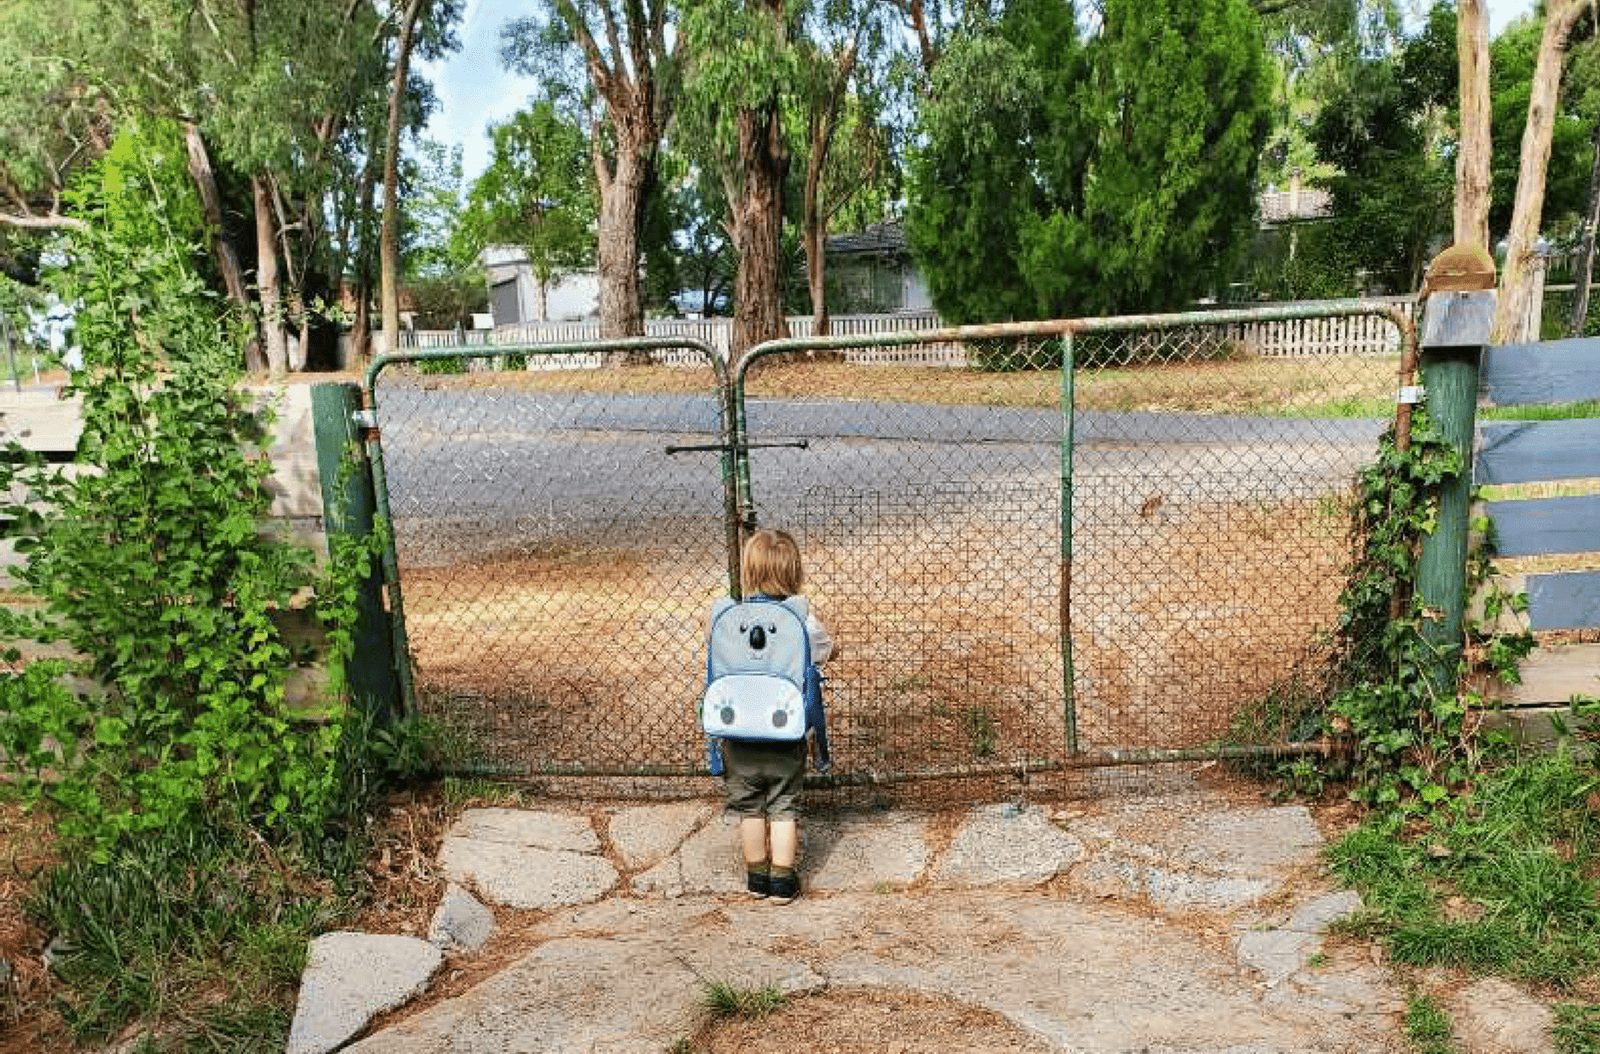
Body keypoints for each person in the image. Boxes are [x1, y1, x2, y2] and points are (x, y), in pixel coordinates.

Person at [719, 528, 838, 905]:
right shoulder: (803, 621)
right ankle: (783, 881)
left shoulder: (728, 616)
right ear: (794, 572)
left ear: (748, 573)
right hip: (785, 733)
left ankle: (756, 877)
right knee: (784, 806)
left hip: (737, 733)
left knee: (749, 807)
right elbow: (825, 651)